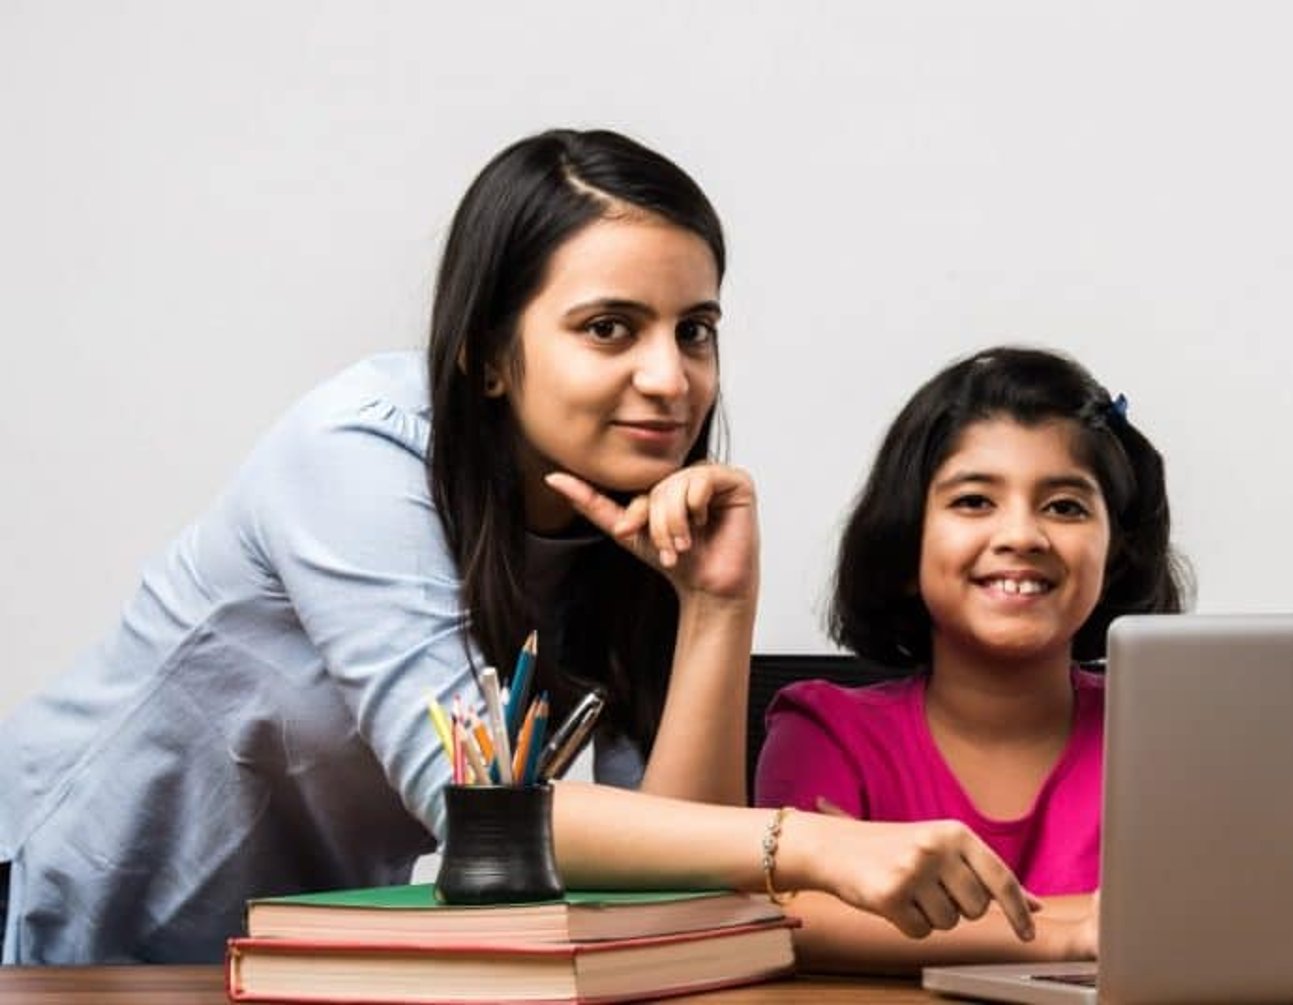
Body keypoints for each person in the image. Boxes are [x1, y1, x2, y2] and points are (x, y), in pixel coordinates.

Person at [0, 129, 1035, 964]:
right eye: (610, 329)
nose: (672, 379)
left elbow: (656, 885)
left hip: (279, 965)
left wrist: (717, 607)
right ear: (488, 354)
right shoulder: (358, 447)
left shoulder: (626, 528)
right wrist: (815, 846)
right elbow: (482, 817)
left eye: (696, 329)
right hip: (62, 935)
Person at [754, 346, 1188, 973]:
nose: (1021, 536)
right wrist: (1072, 931)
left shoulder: (1168, 737)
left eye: (1065, 506)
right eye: (974, 502)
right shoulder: (826, 734)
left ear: (1116, 553)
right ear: (906, 546)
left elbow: (1221, 911)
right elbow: (792, 917)